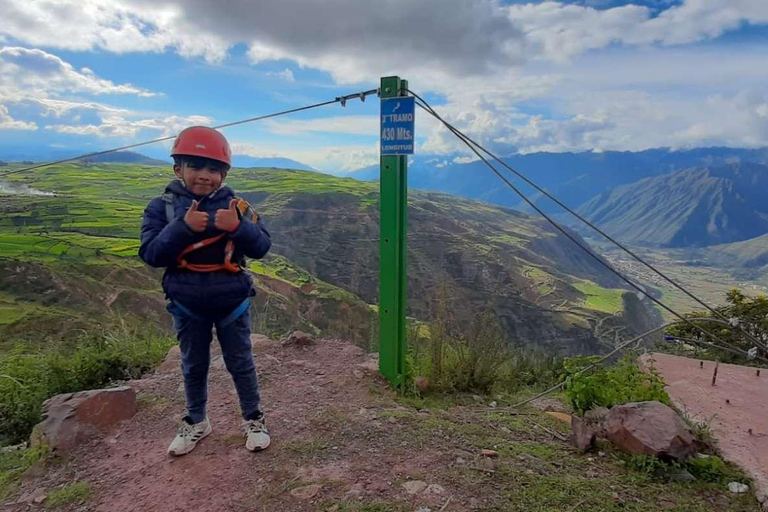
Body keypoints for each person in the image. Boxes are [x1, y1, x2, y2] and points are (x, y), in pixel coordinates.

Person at [139, 126, 271, 456]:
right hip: (187, 303)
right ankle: (196, 420)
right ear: (178, 169)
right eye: (195, 166)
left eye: (213, 169)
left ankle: (253, 419)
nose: (204, 175)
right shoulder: (162, 209)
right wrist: (182, 229)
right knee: (193, 364)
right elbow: (151, 255)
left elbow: (262, 247)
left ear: (224, 174)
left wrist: (238, 228)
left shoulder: (238, 207)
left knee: (241, 363)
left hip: (232, 302)